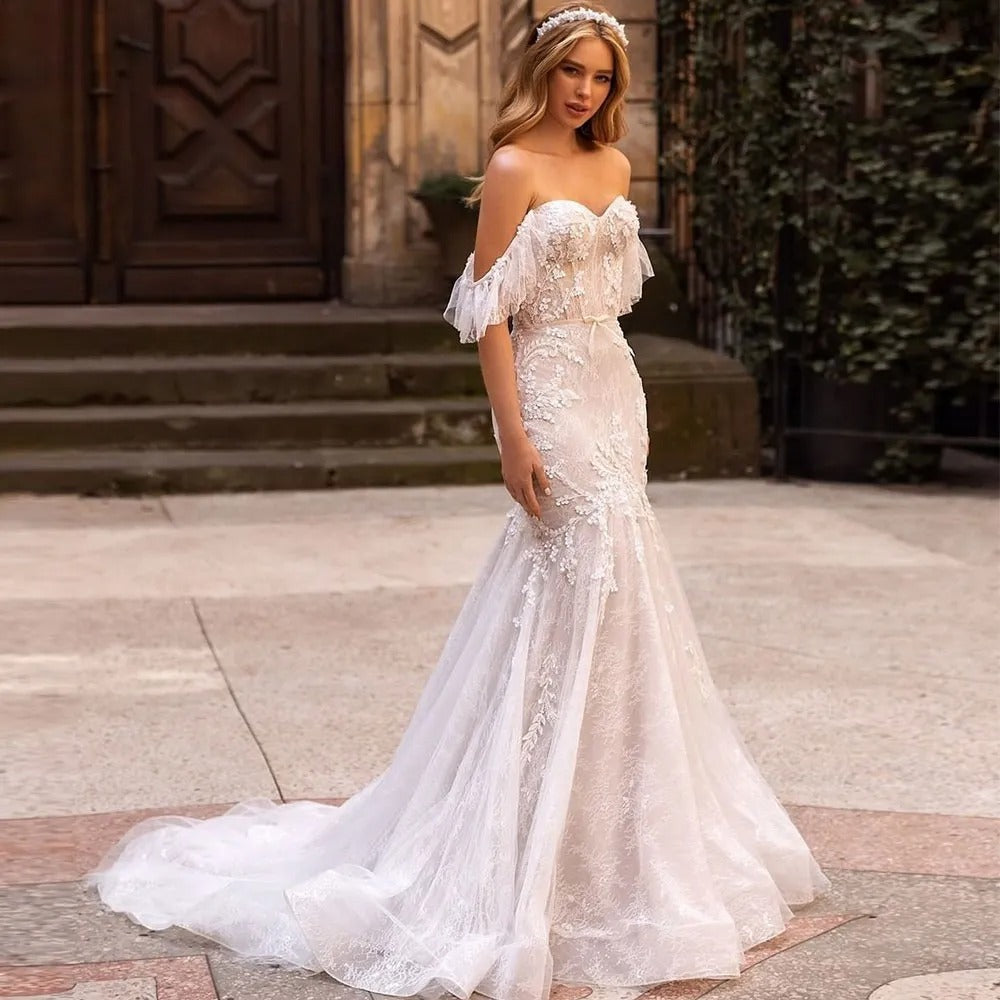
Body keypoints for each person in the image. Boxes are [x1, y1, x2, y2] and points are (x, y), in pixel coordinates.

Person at [87, 6, 830, 1000]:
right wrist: (512, 436)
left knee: (623, 593)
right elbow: (488, 313)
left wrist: (604, 393)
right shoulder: (513, 169)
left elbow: (615, 300)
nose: (585, 91)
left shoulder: (614, 170)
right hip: (552, 399)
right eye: (571, 72)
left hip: (614, 389)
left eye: (602, 79)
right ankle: (511, 831)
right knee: (577, 567)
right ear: (540, 71)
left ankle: (606, 831)